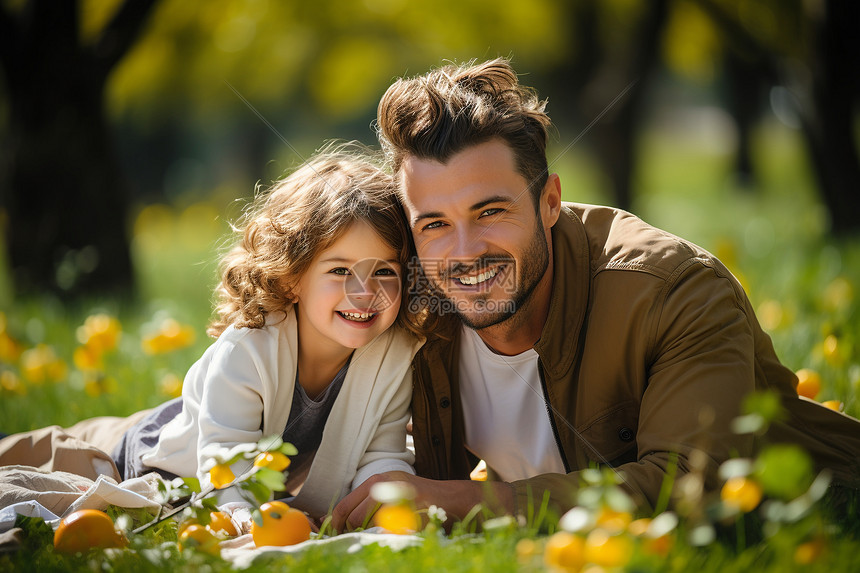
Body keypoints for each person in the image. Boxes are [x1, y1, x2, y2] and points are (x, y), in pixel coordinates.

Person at [331, 58, 860, 530]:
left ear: (550, 201)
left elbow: (691, 489)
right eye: (435, 225)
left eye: (490, 212)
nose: (465, 252)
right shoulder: (412, 306)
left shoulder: (674, 293)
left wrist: (468, 500)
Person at [1, 145, 424, 526]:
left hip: (209, 434)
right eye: (339, 270)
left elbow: (381, 455)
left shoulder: (393, 353)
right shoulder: (251, 347)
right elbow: (223, 463)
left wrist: (386, 502)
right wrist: (239, 516)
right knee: (51, 454)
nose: (365, 291)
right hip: (159, 457)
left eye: (384, 270)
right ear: (293, 277)